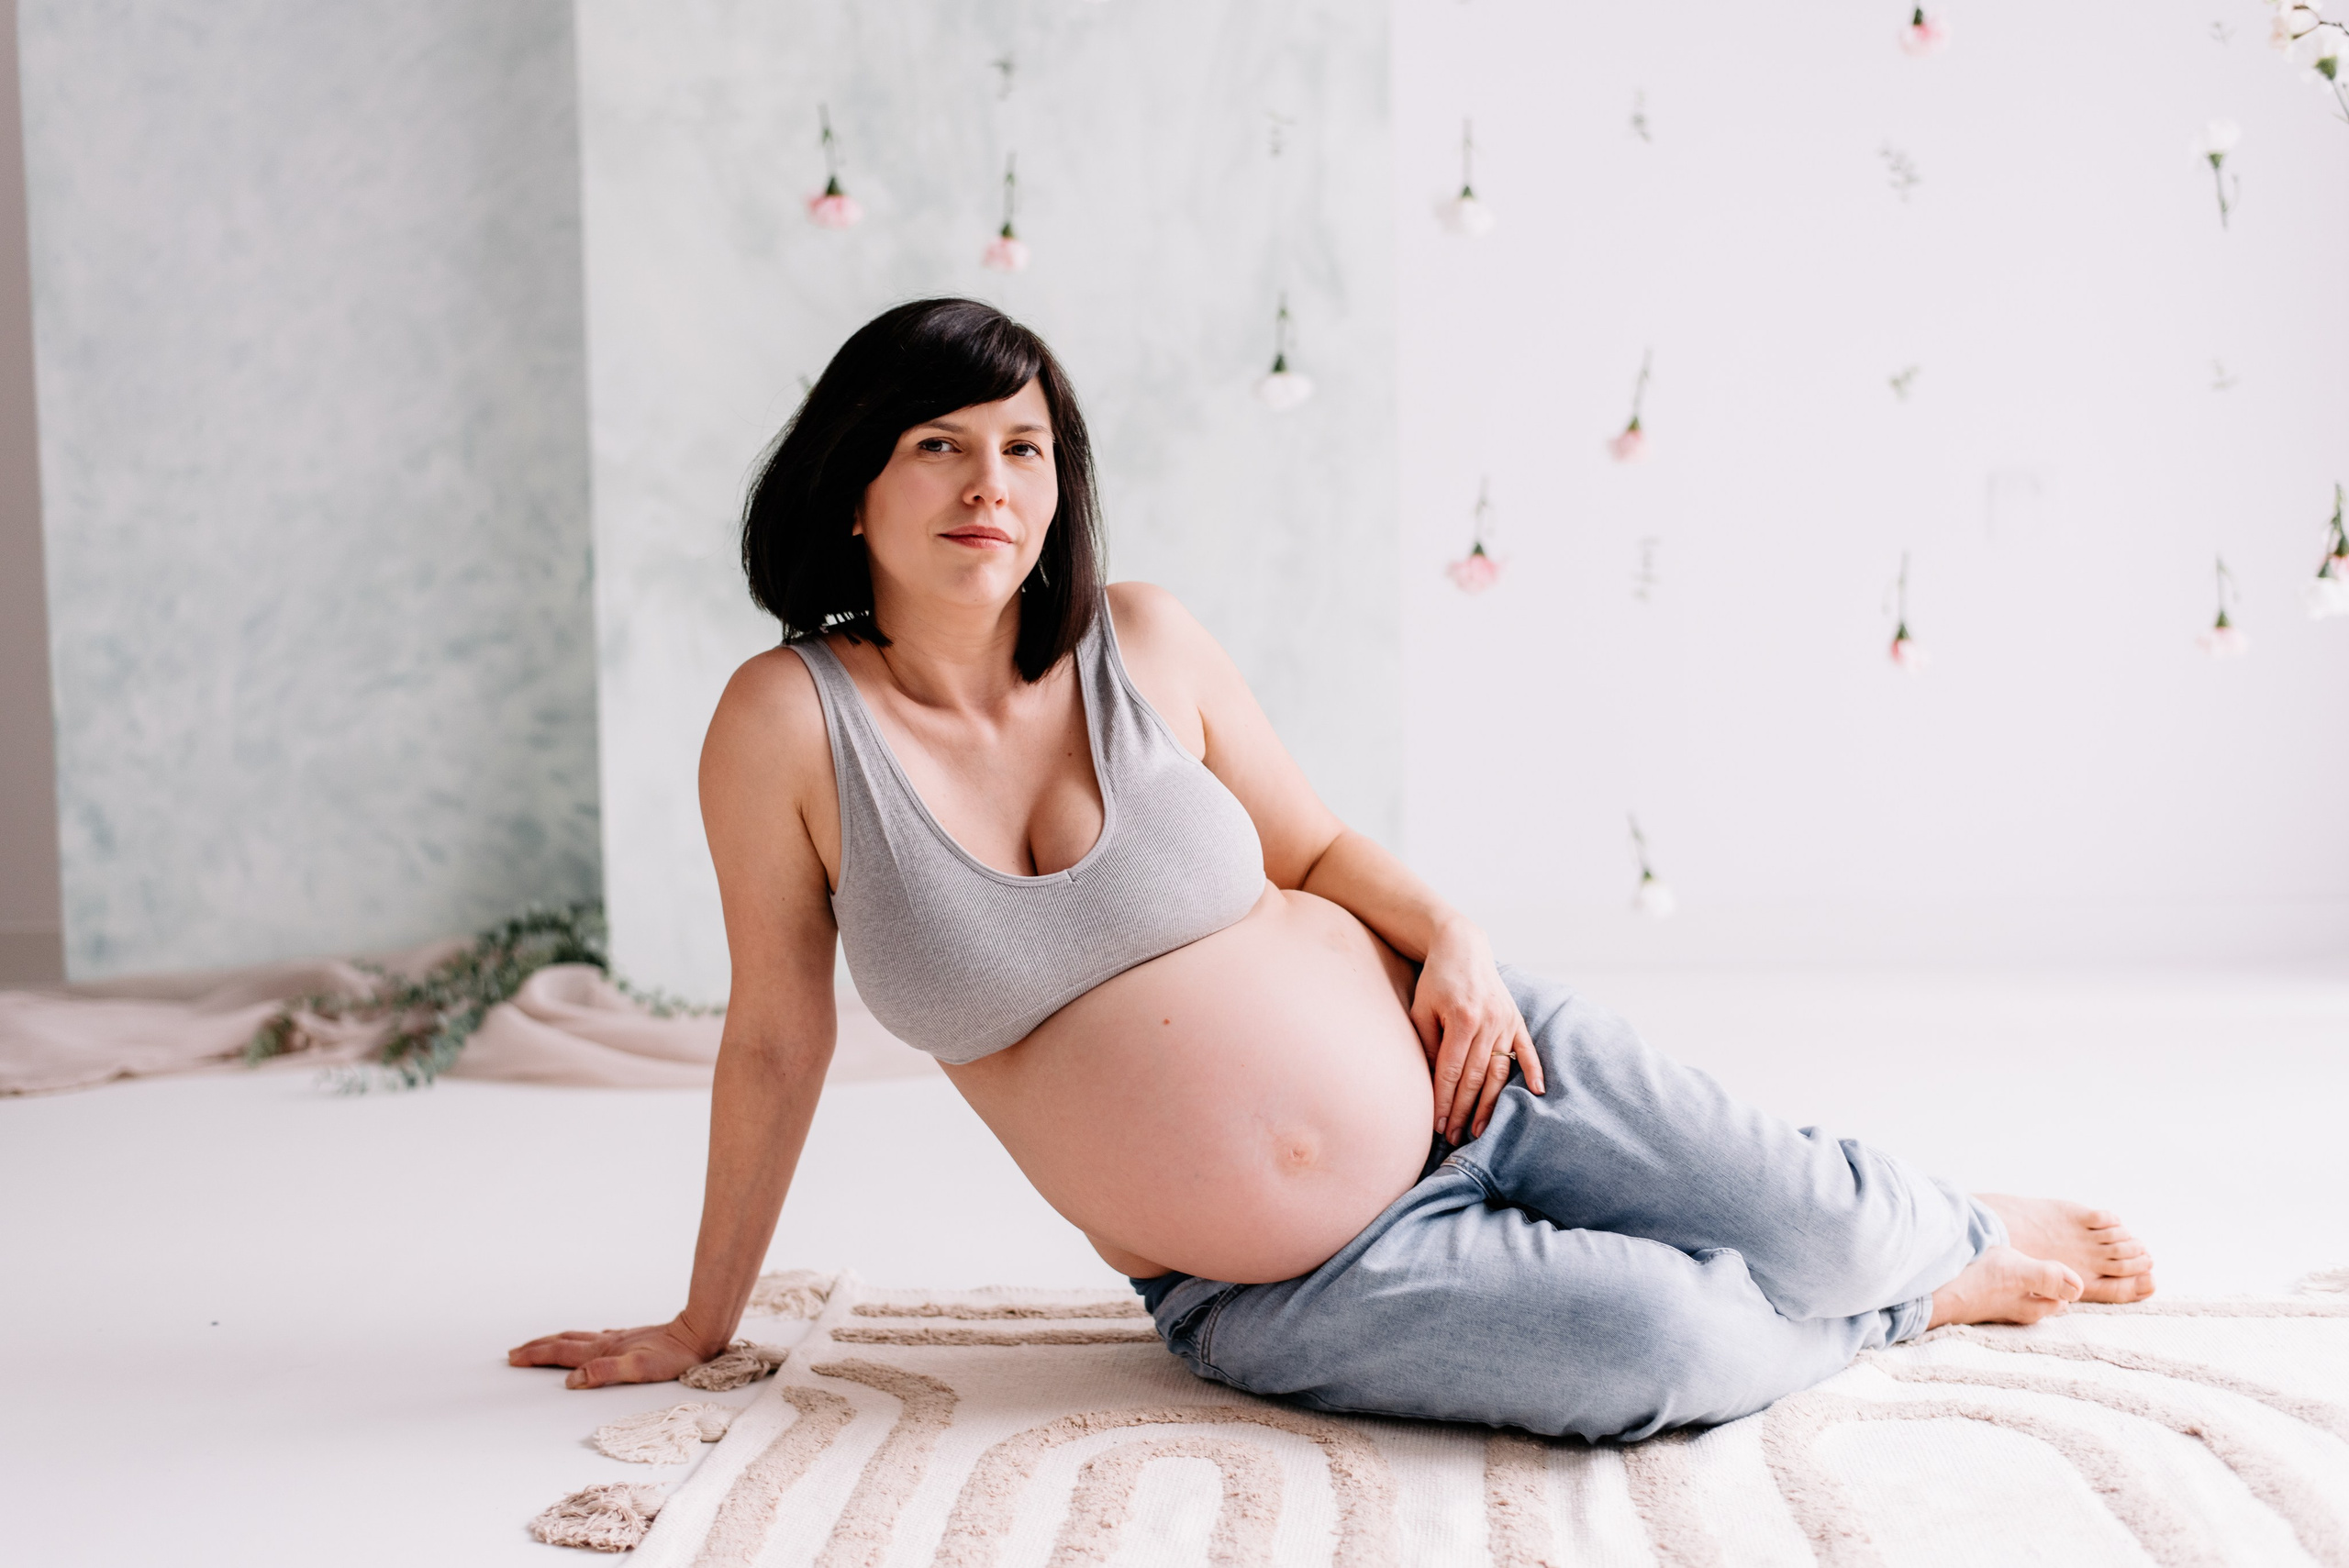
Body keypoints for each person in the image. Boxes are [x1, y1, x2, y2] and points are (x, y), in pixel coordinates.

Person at [508, 298, 2154, 1441]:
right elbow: (777, 1038)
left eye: (1021, 448)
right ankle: (1916, 1304)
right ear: (853, 480)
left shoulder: (1141, 638)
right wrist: (702, 1321)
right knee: (1671, 1347)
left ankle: (1935, 1230)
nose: (987, 487)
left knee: (1831, 1220)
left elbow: (1308, 849)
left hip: (1483, 1067)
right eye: (938, 445)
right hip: (1285, 1282)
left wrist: (1456, 941)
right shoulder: (787, 722)